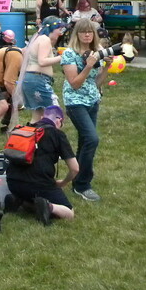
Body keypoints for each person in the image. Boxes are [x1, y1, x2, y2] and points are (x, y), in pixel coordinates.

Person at [60, 19, 109, 202]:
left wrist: (107, 67)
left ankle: (77, 182)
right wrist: (88, 65)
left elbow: (96, 82)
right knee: (92, 139)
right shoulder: (69, 55)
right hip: (75, 102)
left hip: (92, 101)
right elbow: (74, 84)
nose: (87, 35)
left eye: (90, 32)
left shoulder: (95, 53)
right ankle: (83, 185)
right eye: (83, 32)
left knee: (84, 141)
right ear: (77, 34)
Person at [5, 106, 79, 226]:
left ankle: (18, 200)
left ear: (41, 117)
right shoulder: (57, 134)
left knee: (31, 197)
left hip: (12, 181)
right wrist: (63, 183)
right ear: (59, 120)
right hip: (39, 184)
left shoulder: (24, 130)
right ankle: (48, 207)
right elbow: (75, 168)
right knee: (69, 212)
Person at [16, 16, 66, 124]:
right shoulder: (45, 39)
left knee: (37, 114)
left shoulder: (38, 39)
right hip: (38, 79)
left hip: (30, 80)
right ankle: (50, 136)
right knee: (55, 112)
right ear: (53, 28)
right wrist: (62, 57)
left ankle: (32, 136)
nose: (60, 32)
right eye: (59, 29)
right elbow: (42, 61)